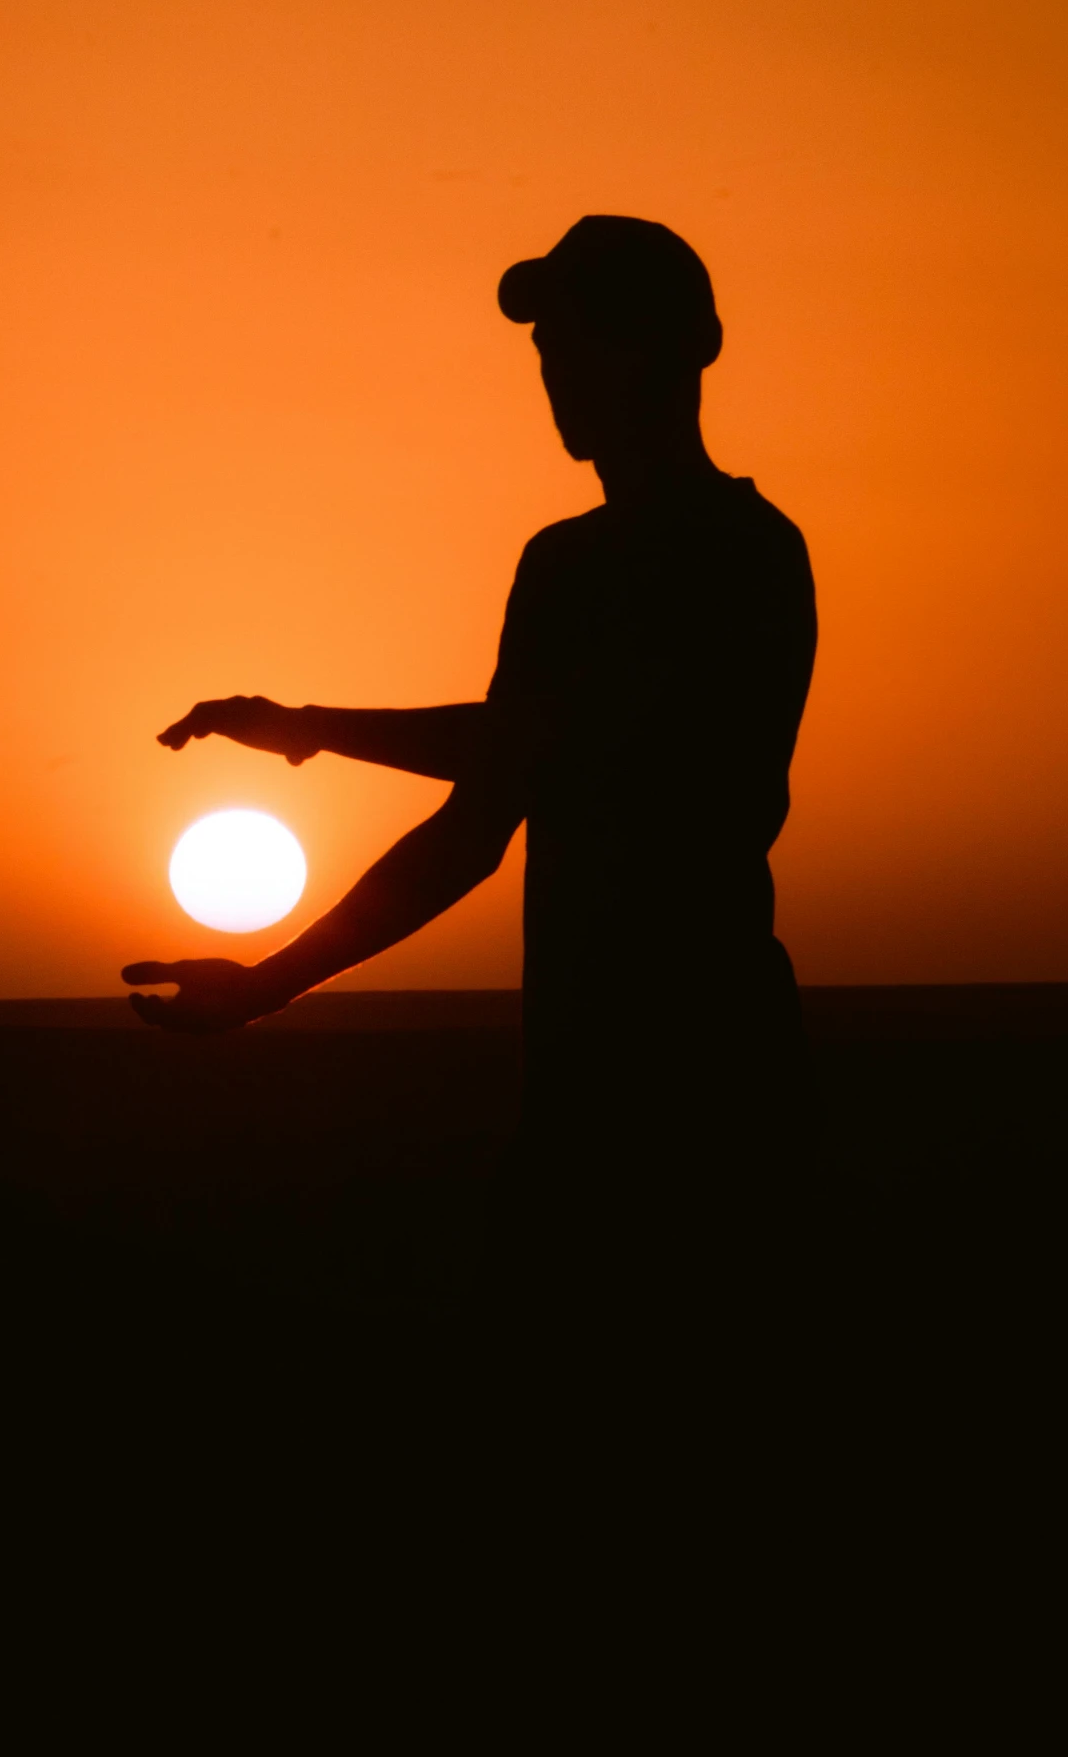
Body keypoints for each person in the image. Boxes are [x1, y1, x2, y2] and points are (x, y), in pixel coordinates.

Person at [124, 216, 817, 1243]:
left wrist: (308, 728)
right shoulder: (560, 567)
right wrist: (265, 985)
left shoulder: (743, 557)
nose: (558, 372)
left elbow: (538, 748)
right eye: (549, 350)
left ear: (679, 347)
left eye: (584, 340)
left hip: (710, 1085)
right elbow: (472, 830)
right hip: (574, 1098)